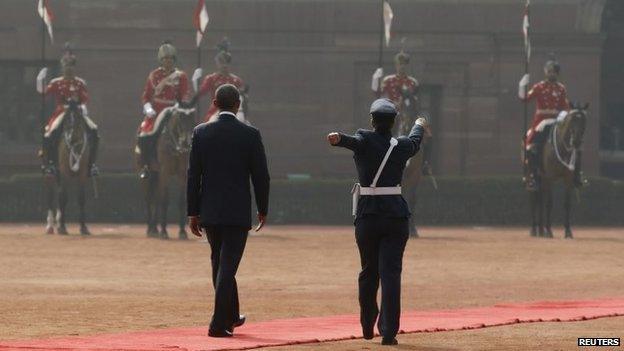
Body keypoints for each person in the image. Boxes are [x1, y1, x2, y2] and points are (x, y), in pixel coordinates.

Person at [327, 98, 428, 346]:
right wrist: (419, 123)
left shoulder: (364, 139)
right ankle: (389, 330)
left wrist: (338, 138)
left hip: (368, 216)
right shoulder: (401, 145)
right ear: (393, 123)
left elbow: (350, 141)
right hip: (395, 216)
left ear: (372, 121)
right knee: (391, 274)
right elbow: (415, 141)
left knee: (368, 271)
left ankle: (367, 323)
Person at [187, 84, 270, 337]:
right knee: (227, 267)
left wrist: (193, 211)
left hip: (210, 211)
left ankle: (231, 316)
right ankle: (217, 323)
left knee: (219, 263)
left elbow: (194, 177)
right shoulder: (250, 134)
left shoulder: (201, 132)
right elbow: (261, 176)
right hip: (237, 212)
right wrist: (263, 208)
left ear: (214, 102)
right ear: (238, 104)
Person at [518, 57, 585, 190]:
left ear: (557, 73)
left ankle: (577, 176)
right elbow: (524, 98)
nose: (551, 74)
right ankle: (533, 176)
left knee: (574, 147)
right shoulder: (539, 87)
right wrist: (522, 85)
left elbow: (565, 106)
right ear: (545, 72)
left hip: (557, 121)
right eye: (549, 71)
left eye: (554, 71)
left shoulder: (561, 88)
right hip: (541, 122)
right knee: (531, 146)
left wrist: (565, 115)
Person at [37, 48, 99, 177]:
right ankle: (50, 163)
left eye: (71, 66)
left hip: (78, 111)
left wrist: (83, 107)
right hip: (62, 111)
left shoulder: (80, 83)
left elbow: (84, 98)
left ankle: (92, 164)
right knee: (50, 132)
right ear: (62, 67)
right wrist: (39, 80)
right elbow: (44, 93)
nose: (68, 69)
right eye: (66, 66)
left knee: (93, 130)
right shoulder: (56, 82)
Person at [137, 41, 190, 179]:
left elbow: (185, 94)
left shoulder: (181, 76)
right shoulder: (154, 75)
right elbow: (146, 95)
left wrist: (182, 105)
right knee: (143, 135)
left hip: (174, 109)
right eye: (165, 58)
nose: (168, 61)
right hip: (156, 111)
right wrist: (148, 108)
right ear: (161, 60)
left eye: (170, 58)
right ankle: (146, 164)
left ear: (174, 59)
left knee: (188, 132)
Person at [192, 39, 246, 122]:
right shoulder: (211, 79)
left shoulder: (236, 80)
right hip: (216, 109)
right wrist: (195, 80)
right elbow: (200, 92)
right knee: (211, 123)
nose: (224, 65)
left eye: (226, 63)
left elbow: (243, 98)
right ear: (217, 63)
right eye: (221, 62)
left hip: (234, 110)